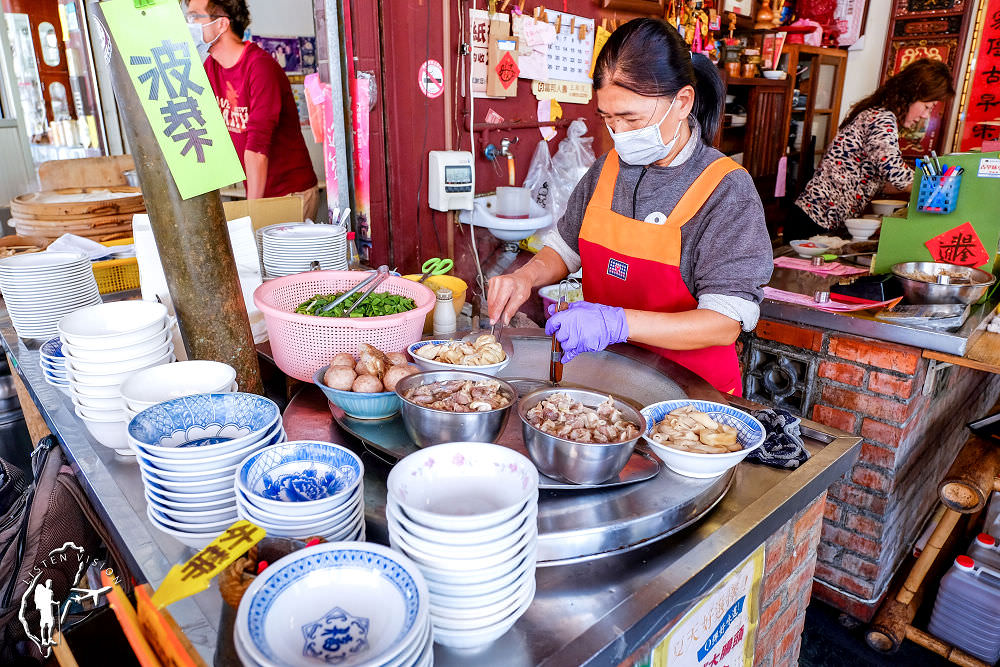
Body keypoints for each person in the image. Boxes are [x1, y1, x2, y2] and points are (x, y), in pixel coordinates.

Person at [487, 18, 773, 396]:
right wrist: (526, 276)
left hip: (690, 401)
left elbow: (723, 322)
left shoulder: (726, 190)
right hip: (605, 379)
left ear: (682, 102)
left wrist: (616, 323)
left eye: (631, 118)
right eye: (608, 118)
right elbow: (565, 249)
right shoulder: (607, 169)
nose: (619, 132)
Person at [785, 59, 956, 240]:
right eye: (927, 107)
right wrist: (939, 189)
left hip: (823, 222)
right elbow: (894, 171)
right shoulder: (881, 118)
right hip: (813, 221)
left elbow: (885, 182)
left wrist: (922, 185)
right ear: (912, 93)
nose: (925, 115)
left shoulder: (878, 115)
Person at [185, 0, 320, 221]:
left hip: (289, 195)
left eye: (194, 17)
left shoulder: (260, 67)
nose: (188, 25)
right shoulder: (211, 67)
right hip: (259, 193)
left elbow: (257, 149)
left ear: (221, 24)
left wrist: (252, 213)